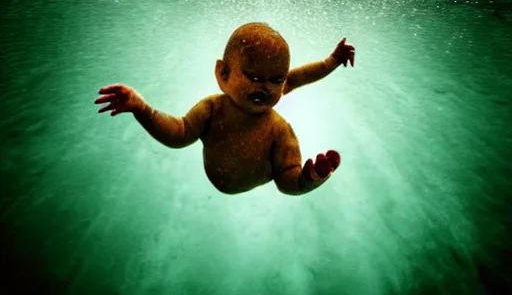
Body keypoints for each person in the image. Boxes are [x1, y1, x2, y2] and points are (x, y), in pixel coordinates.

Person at [95, 23, 355, 196]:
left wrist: (333, 61)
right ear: (223, 74)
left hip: (265, 172)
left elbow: (297, 77)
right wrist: (141, 108)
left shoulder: (279, 132)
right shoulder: (212, 108)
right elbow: (180, 134)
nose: (265, 88)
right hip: (226, 174)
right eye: (253, 77)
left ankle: (309, 178)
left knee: (290, 177)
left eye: (277, 81)